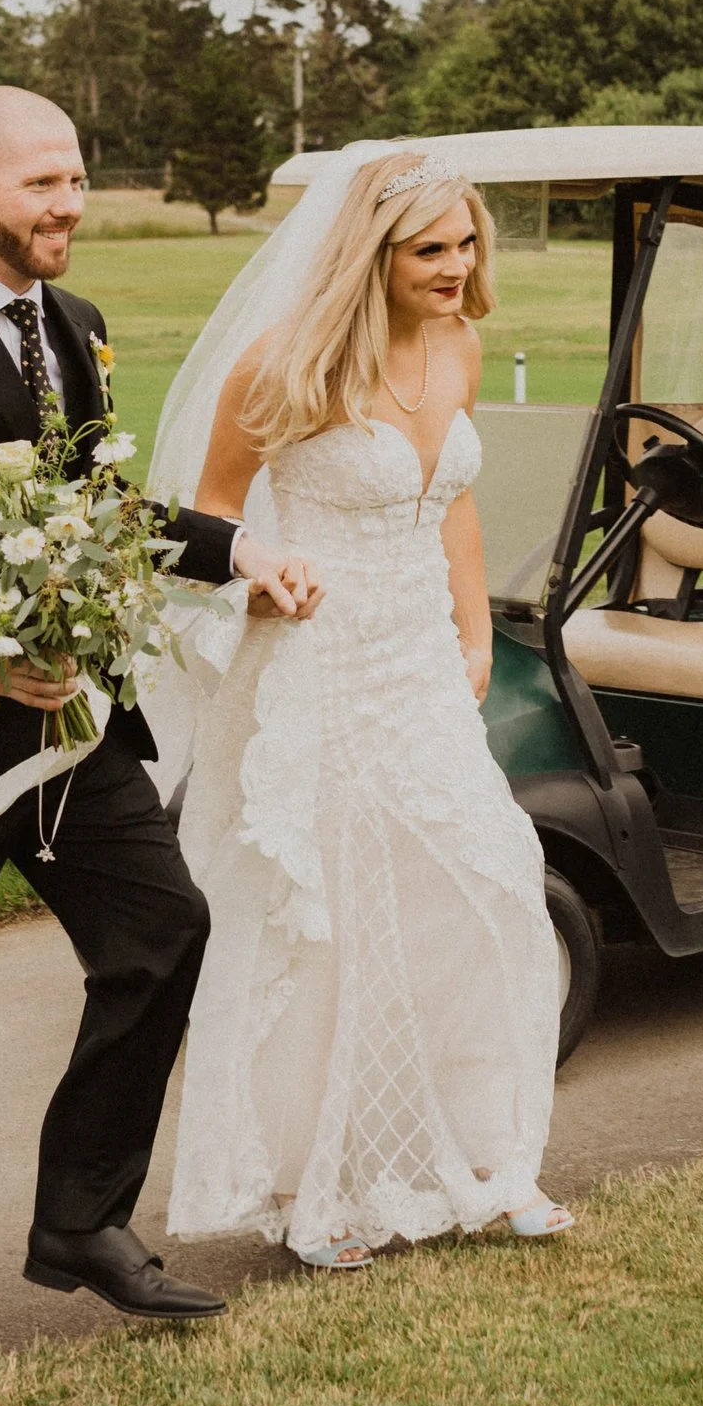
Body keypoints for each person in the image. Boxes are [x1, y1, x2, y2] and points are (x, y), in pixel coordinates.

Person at [0, 87, 323, 1377]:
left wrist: (234, 548)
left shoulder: (72, 327)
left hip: (72, 736)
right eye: (42, 185)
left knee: (162, 933)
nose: (69, 206)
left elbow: (90, 511)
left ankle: (81, 1219)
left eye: (78, 180)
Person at [152, 145, 567, 1270]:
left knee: (480, 879)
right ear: (369, 254)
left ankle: (488, 1160)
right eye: (427, 249)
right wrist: (263, 575)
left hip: (420, 658)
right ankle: (313, 1182)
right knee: (328, 918)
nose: (454, 265)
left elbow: (453, 503)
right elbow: (215, 516)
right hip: (320, 662)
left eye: (465, 242)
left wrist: (475, 632)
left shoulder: (460, 344)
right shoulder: (285, 365)